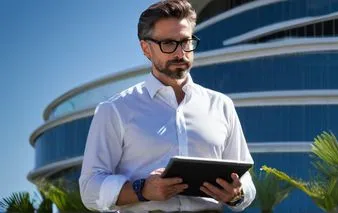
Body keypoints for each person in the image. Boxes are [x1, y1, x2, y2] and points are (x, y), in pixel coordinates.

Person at [79, 0, 256, 212]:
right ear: (146, 48)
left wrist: (236, 194)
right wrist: (142, 189)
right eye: (169, 44)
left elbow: (246, 182)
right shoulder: (116, 109)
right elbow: (89, 189)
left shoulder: (221, 105)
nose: (180, 53)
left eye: (185, 42)